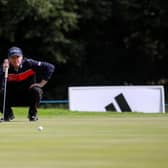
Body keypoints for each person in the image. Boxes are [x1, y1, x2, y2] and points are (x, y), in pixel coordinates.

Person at [0, 46, 55, 121]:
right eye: (12, 57)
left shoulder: (29, 63)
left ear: (22, 57)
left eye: (17, 57)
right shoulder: (5, 68)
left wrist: (41, 84)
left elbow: (50, 67)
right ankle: (8, 114)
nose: (15, 60)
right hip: (12, 97)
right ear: (9, 59)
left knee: (37, 90)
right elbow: (2, 85)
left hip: (28, 96)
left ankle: (32, 115)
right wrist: (3, 71)